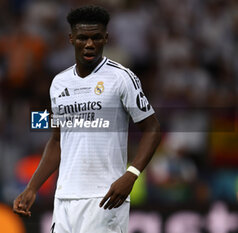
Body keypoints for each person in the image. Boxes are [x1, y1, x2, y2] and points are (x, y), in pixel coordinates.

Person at [13, 5, 161, 233]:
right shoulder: (59, 83)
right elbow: (56, 141)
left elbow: (152, 128)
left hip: (105, 197)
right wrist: (32, 187)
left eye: (96, 38)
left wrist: (131, 175)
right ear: (71, 39)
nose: (90, 44)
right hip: (64, 198)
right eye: (83, 38)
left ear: (106, 38)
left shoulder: (122, 78)